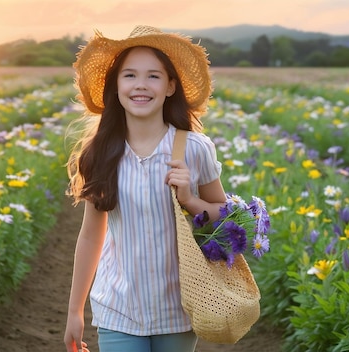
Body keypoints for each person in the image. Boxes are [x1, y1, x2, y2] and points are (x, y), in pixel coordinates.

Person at [63, 25, 228, 352]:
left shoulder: (194, 148)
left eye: (153, 76)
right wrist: (74, 310)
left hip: (179, 308)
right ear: (116, 87)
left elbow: (223, 216)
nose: (140, 85)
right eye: (129, 76)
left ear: (170, 87)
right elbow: (91, 236)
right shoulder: (100, 153)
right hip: (118, 307)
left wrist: (191, 200)